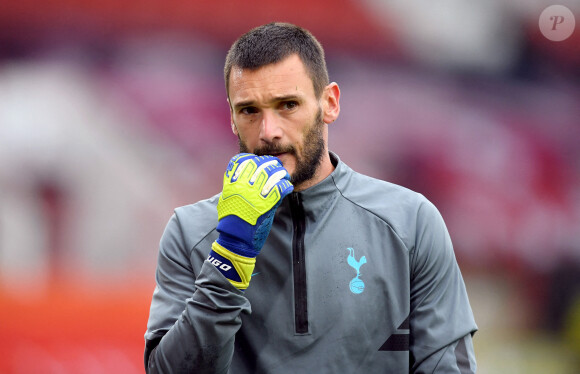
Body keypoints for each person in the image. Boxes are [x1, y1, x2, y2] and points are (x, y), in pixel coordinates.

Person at [144, 22, 477, 373]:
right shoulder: (191, 231)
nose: (268, 131)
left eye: (287, 105)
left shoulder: (411, 222)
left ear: (329, 103)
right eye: (249, 111)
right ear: (231, 117)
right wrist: (230, 258)